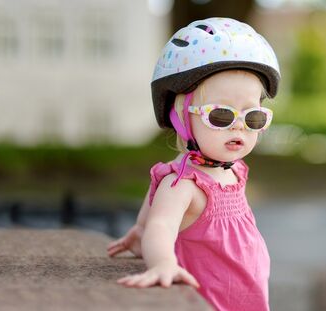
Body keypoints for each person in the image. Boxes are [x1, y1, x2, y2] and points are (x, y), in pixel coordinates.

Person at [106, 17, 280, 311]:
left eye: (253, 118)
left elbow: (153, 208)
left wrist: (139, 230)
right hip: (210, 301)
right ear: (182, 118)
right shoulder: (183, 184)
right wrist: (161, 261)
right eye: (221, 116)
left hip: (248, 297)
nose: (238, 128)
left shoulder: (235, 171)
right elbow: (162, 223)